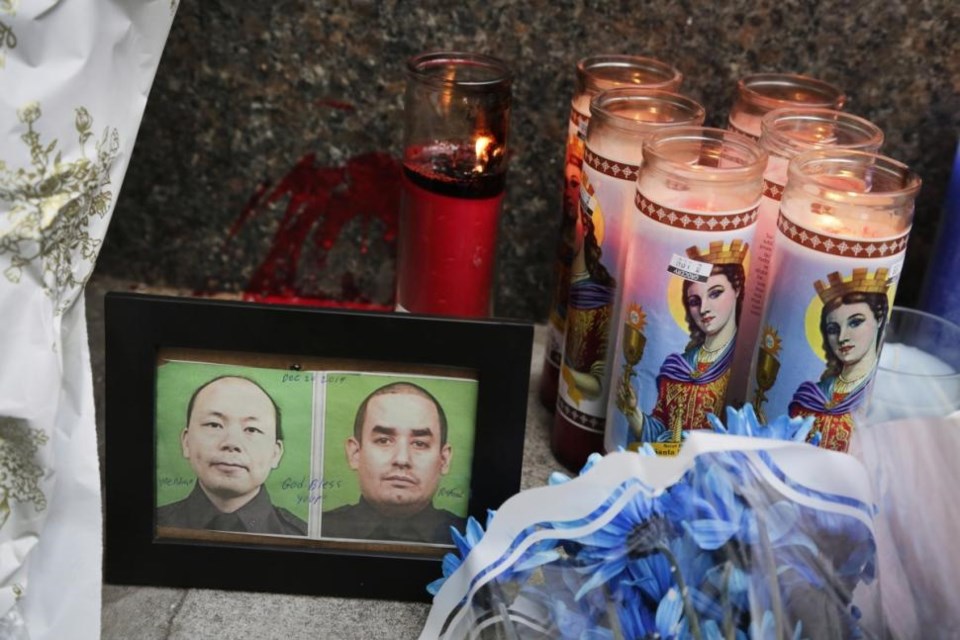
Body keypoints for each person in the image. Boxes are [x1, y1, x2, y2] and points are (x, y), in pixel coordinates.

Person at [618, 241, 747, 448]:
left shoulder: (740, 364)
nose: (704, 308)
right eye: (695, 301)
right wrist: (633, 412)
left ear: (738, 289)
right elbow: (660, 428)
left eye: (715, 293)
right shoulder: (677, 367)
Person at [157, 375, 307, 535]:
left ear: (275, 453)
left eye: (251, 429)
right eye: (214, 425)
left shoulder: (303, 537)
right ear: (186, 442)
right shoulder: (153, 524)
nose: (231, 443)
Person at [322, 381, 463, 544]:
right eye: (383, 441)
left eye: (419, 443)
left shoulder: (469, 539)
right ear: (355, 453)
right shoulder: (318, 529)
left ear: (444, 460)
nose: (402, 459)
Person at [789, 268, 890, 452]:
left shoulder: (879, 399)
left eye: (855, 322)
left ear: (879, 319)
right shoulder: (812, 394)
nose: (842, 336)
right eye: (833, 329)